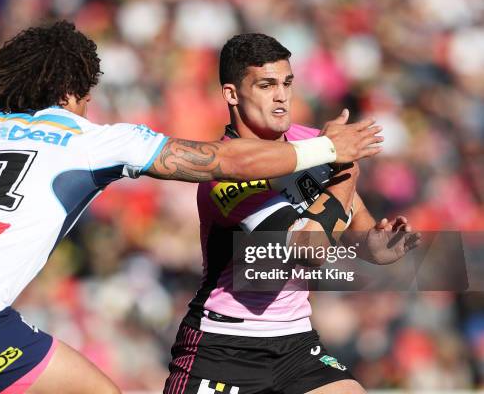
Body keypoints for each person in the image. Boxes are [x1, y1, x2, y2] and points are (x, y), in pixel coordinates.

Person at [0, 22, 382, 394]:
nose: (89, 105)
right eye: (87, 95)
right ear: (72, 91)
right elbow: (221, 162)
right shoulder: (87, 137)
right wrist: (328, 150)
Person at [163, 33, 420, 394]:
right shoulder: (226, 174)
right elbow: (310, 249)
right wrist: (344, 167)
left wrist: (379, 246)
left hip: (295, 340)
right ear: (232, 94)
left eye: (287, 83)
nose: (281, 96)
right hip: (224, 345)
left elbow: (354, 232)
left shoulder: (314, 142)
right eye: (266, 85)